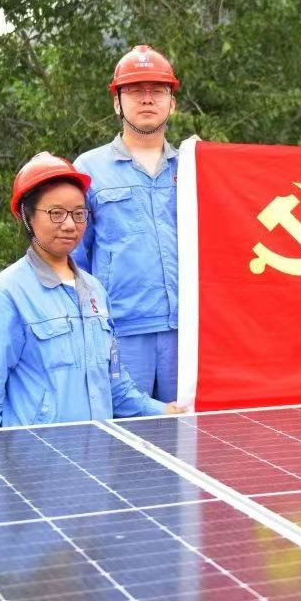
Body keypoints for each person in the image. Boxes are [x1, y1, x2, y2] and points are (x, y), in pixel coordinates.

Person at [0, 152, 183, 428]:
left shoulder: (95, 291)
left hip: (97, 452)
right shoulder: (5, 295)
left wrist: (165, 410)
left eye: (79, 214)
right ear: (27, 217)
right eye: (56, 213)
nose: (69, 225)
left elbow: (115, 388)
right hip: (35, 453)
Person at [73, 45, 183, 404]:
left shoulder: (193, 168)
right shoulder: (88, 169)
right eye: (135, 90)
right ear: (117, 103)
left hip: (187, 332)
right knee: (125, 430)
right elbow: (74, 258)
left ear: (172, 103)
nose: (147, 99)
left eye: (157, 91)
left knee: (189, 427)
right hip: (120, 330)